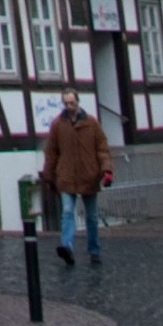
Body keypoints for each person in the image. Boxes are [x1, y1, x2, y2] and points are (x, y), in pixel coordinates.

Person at [42, 86, 113, 265]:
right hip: (66, 175)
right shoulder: (58, 125)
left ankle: (94, 251)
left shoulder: (91, 123)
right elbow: (51, 152)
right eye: (66, 103)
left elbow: (102, 148)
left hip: (89, 174)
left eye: (72, 103)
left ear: (78, 102)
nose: (69, 106)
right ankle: (67, 247)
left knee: (91, 216)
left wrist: (107, 170)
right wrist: (49, 177)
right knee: (67, 211)